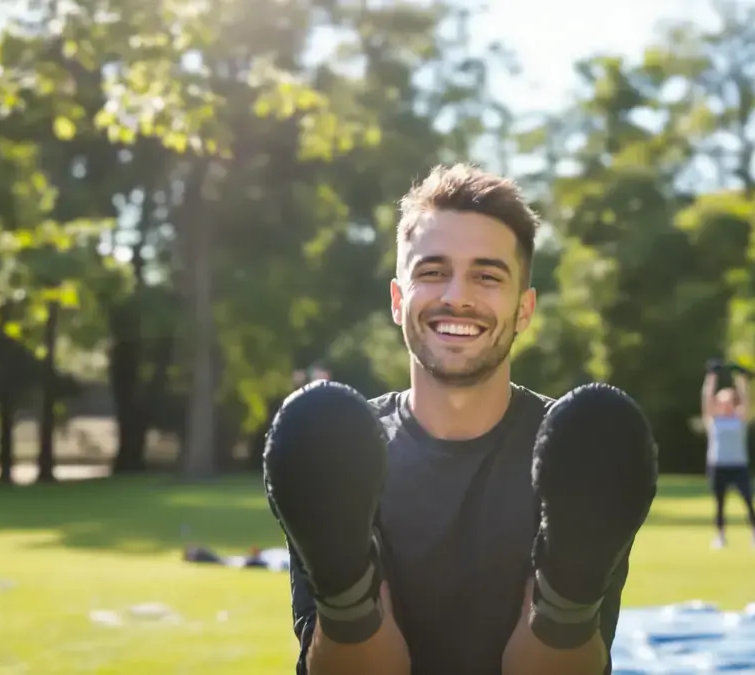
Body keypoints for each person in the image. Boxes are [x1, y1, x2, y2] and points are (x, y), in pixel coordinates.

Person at [262, 164, 659, 675]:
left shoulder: (581, 449)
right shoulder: (332, 446)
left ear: (524, 308)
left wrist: (566, 606)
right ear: (397, 300)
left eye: (487, 276)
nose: (457, 297)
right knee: (315, 424)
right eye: (432, 272)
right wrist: (347, 605)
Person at [700, 359, 755, 550]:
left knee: (749, 501)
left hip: (739, 466)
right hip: (718, 465)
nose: (725, 404)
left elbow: (746, 400)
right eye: (722, 400)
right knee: (719, 504)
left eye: (729, 400)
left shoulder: (740, 419)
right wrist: (712, 376)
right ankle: (720, 536)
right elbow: (706, 397)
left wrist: (740, 377)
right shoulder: (713, 420)